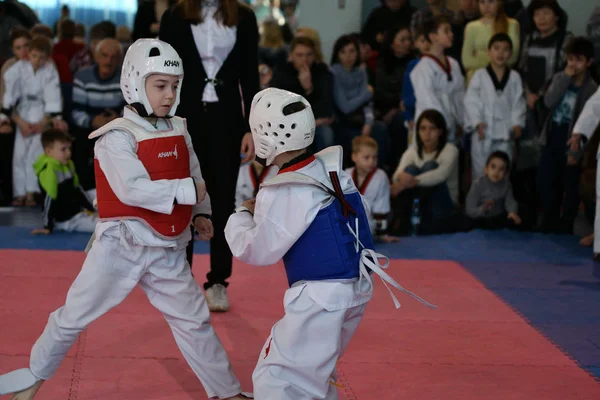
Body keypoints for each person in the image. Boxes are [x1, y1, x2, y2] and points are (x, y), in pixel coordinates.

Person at [0, 39, 251, 400]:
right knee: (73, 316)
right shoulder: (116, 137)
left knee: (194, 321)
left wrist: (201, 211)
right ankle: (33, 378)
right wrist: (187, 193)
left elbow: (192, 172)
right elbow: (133, 189)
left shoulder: (178, 127)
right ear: (134, 81)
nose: (169, 95)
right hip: (120, 246)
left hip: (167, 249)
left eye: (175, 86)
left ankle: (226, 392)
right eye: (160, 85)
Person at [225, 87, 434, 399]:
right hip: (358, 287)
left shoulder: (285, 189)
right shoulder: (334, 170)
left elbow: (257, 250)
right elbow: (359, 213)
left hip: (320, 297)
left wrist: (241, 214)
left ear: (265, 137)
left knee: (277, 376)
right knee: (315, 371)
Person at [159, 0, 260, 312]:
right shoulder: (175, 16)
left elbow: (249, 75)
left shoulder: (244, 17)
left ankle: (218, 281)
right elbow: (161, 71)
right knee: (183, 198)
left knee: (222, 198)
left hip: (227, 120)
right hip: (184, 117)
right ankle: (182, 281)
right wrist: (160, 120)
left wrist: (251, 127)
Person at [537, 37, 597, 234]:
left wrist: (578, 152)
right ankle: (549, 219)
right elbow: (548, 102)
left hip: (573, 140)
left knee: (569, 184)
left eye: (578, 60)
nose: (573, 64)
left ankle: (567, 223)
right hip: (553, 135)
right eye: (570, 59)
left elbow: (590, 124)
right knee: (547, 180)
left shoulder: (592, 89)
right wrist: (564, 78)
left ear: (589, 62)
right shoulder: (560, 78)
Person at [0, 35, 65, 207]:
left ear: (48, 57)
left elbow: (53, 95)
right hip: (22, 113)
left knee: (34, 155)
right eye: (34, 55)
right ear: (29, 54)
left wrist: (46, 121)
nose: (37, 61)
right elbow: (10, 94)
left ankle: (31, 193)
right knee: (19, 155)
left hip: (40, 113)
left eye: (42, 57)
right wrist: (15, 120)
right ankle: (19, 193)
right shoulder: (17, 68)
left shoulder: (50, 70)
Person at [464, 33, 526, 180]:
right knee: (480, 173)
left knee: (503, 172)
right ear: (488, 52)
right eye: (496, 48)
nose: (500, 53)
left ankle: (501, 202)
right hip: (483, 131)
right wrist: (476, 122)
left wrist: (517, 123)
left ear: (510, 54)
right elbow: (471, 100)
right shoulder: (479, 75)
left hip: (506, 132)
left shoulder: (515, 77)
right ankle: (479, 203)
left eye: (505, 50)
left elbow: (518, 102)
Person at [410, 15, 465, 144]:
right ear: (433, 36)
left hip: (452, 128)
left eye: (450, 31)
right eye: (446, 31)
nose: (451, 34)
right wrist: (441, 125)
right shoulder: (422, 68)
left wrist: (460, 121)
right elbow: (428, 101)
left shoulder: (454, 64)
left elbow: (460, 96)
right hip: (431, 129)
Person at [31, 128, 97, 235]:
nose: (68, 153)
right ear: (48, 151)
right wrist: (47, 226)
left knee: (97, 194)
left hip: (76, 211)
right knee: (102, 226)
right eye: (63, 149)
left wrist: (94, 210)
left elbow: (78, 190)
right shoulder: (49, 170)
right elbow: (49, 199)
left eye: (69, 149)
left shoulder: (68, 165)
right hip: (67, 220)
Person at [346, 136, 397, 242]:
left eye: (374, 157)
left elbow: (381, 206)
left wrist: (382, 235)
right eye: (366, 157)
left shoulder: (381, 177)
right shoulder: (345, 175)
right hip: (347, 223)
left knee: (367, 227)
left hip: (368, 224)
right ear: (354, 157)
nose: (371, 161)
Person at [461, 0, 520, 84]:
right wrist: (499, 59)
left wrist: (480, 55)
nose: (486, 6)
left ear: (499, 2)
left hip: (501, 78)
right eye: (482, 2)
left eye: (491, 1)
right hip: (476, 80)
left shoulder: (512, 24)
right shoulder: (471, 27)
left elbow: (512, 58)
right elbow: (467, 61)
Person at [466, 150, 521, 229]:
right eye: (493, 167)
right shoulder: (477, 184)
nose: (496, 171)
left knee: (518, 217)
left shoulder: (506, 185)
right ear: (486, 169)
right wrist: (483, 209)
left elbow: (510, 201)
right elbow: (469, 208)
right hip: (478, 218)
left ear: (506, 173)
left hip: (497, 218)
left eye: (501, 169)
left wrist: (512, 212)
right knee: (464, 221)